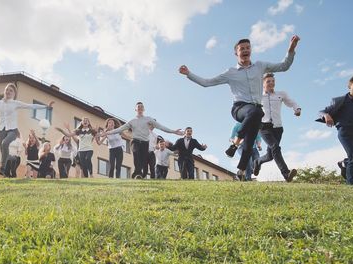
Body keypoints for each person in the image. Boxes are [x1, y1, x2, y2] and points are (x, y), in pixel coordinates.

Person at [179, 35, 300, 180]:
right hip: (239, 109)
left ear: (251, 51)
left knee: (249, 143)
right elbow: (207, 82)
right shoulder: (230, 73)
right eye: (241, 48)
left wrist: (291, 49)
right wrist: (189, 74)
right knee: (256, 112)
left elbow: (284, 66)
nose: (245, 50)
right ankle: (235, 143)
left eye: (248, 48)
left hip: (255, 112)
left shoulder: (260, 66)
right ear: (236, 53)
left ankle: (241, 170)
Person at [0, 83, 54, 176]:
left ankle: (3, 167)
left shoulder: (15, 103)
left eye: (11, 90)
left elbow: (30, 106)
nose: (8, 92)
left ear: (14, 93)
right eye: (7, 89)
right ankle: (7, 165)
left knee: (5, 143)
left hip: (13, 130)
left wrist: (45, 106)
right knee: (3, 149)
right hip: (2, 129)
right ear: (4, 91)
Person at [103, 102, 183, 179]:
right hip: (135, 141)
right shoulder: (132, 121)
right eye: (138, 107)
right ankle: (138, 174)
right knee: (136, 154)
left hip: (145, 143)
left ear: (144, 109)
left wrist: (173, 131)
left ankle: (137, 174)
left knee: (142, 160)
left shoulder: (148, 119)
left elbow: (161, 127)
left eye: (141, 107)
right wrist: (106, 133)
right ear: (135, 109)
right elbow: (119, 129)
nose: (140, 108)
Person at [254, 73, 300, 182]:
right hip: (264, 127)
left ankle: (257, 162)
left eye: (273, 81)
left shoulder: (281, 94)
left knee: (270, 155)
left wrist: (297, 109)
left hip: (278, 128)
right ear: (263, 84)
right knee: (275, 147)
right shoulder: (258, 97)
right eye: (268, 81)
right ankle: (286, 173)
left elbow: (291, 102)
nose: (271, 83)